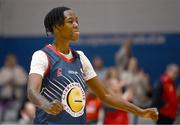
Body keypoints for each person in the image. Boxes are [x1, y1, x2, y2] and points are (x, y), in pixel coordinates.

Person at [27, 6, 158, 124]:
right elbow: (32, 91)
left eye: (77, 21)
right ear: (57, 26)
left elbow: (106, 95)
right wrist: (46, 105)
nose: (76, 24)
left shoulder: (80, 58)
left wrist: (141, 112)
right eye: (70, 21)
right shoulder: (42, 56)